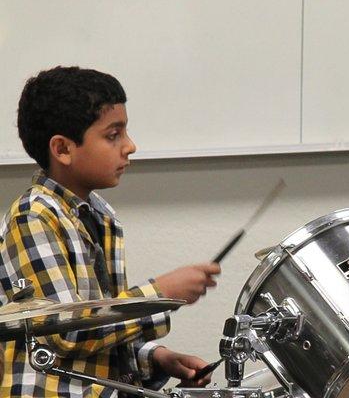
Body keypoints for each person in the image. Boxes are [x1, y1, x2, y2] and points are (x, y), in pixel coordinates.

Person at [0, 66, 222, 397]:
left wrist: (155, 358)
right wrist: (158, 295)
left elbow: (100, 331)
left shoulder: (102, 216)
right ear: (62, 149)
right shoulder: (33, 218)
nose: (130, 146)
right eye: (113, 135)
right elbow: (66, 330)